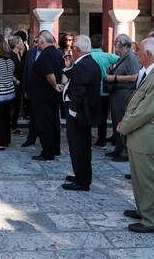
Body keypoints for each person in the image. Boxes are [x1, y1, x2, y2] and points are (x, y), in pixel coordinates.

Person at [118, 38, 154, 233]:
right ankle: (144, 210)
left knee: (148, 180)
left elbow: (147, 110)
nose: (136, 53)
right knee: (139, 178)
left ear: (148, 54)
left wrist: (125, 126)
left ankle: (151, 220)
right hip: (139, 136)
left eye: (139, 50)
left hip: (147, 136)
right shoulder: (153, 72)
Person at [61, 35, 103, 191]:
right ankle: (81, 175)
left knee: (78, 146)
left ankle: (82, 180)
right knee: (82, 146)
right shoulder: (87, 62)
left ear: (77, 50)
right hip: (83, 112)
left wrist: (72, 109)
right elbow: (79, 80)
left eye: (72, 48)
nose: (71, 50)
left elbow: (80, 89)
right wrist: (68, 67)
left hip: (79, 113)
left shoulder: (83, 65)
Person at [25, 30, 64, 161]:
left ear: (42, 41)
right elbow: (64, 71)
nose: (37, 44)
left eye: (37, 42)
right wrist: (60, 85)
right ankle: (55, 149)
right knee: (54, 124)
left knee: (45, 125)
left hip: (43, 97)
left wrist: (54, 85)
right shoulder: (58, 53)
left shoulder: (46, 54)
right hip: (52, 97)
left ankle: (48, 153)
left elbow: (49, 74)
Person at [104, 34, 139, 162]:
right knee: (116, 120)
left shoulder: (131, 57)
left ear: (124, 44)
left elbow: (134, 76)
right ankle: (119, 147)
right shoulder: (123, 57)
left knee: (122, 121)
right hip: (117, 93)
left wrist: (114, 78)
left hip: (125, 93)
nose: (114, 45)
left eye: (116, 42)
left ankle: (125, 151)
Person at [89, 34, 118, 148]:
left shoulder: (88, 56)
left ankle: (88, 138)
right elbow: (121, 60)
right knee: (103, 118)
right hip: (105, 90)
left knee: (89, 115)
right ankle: (102, 140)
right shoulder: (108, 56)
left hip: (91, 90)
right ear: (102, 44)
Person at [8, 35, 25, 135]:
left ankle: (14, 126)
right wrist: (15, 80)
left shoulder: (19, 54)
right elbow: (8, 71)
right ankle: (11, 125)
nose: (23, 44)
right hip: (13, 84)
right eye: (21, 42)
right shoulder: (11, 56)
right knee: (13, 106)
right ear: (17, 44)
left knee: (17, 105)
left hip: (19, 84)